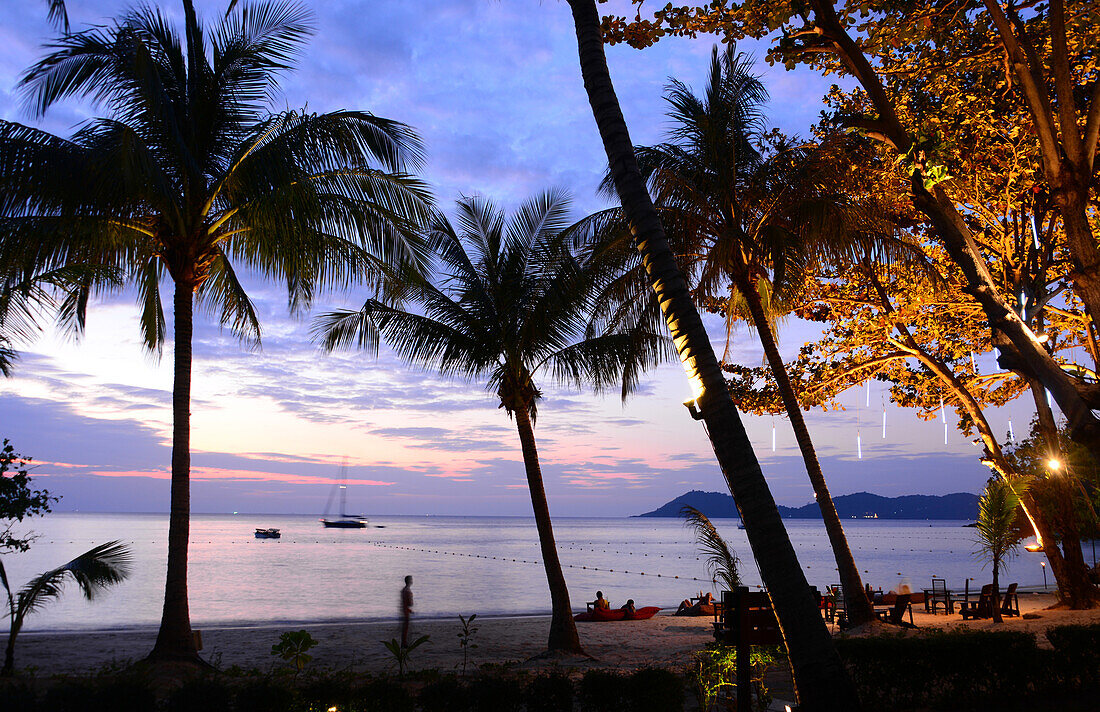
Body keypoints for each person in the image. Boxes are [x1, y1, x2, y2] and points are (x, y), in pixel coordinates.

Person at [400, 575, 413, 647]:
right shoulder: (407, 591)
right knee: (406, 628)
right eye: (411, 580)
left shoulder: (403, 590)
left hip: (404, 610)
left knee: (404, 628)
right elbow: (410, 603)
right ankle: (404, 643)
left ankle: (404, 642)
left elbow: (403, 602)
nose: (412, 581)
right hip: (406, 612)